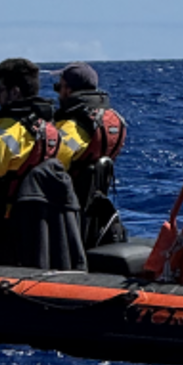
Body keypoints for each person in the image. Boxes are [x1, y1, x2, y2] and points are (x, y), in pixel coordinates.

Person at [0, 57, 85, 264]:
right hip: (31, 220)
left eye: (0, 90)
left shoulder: (10, 131)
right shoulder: (47, 126)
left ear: (14, 92)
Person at [52, 62, 129, 248]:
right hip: (94, 205)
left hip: (69, 205)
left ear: (68, 90)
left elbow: (52, 160)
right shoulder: (115, 120)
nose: (57, 93)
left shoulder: (73, 126)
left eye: (58, 87)